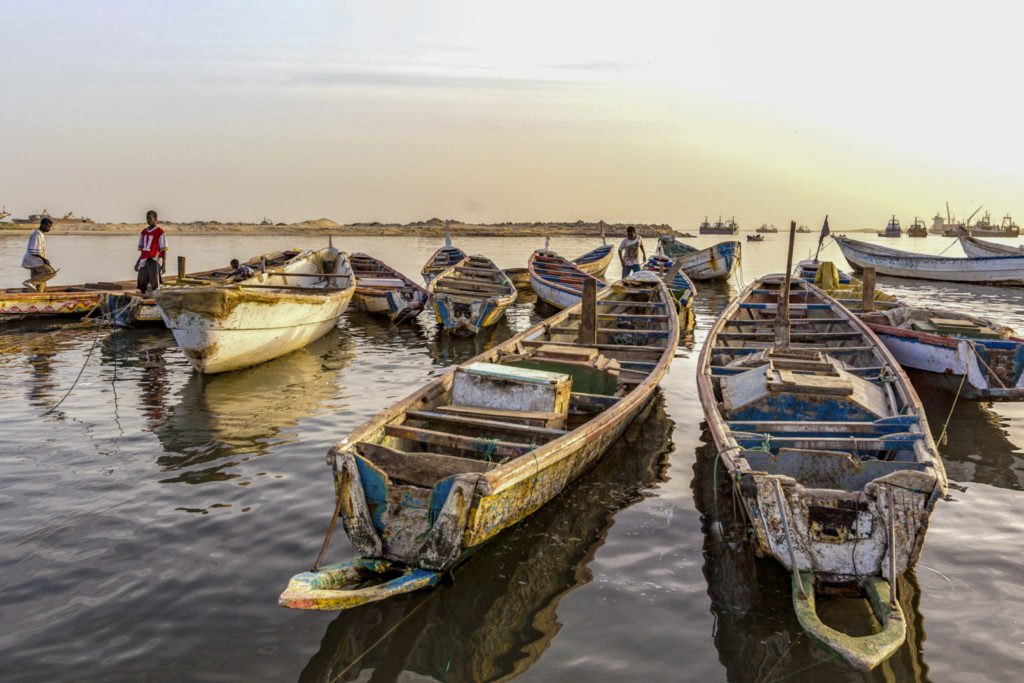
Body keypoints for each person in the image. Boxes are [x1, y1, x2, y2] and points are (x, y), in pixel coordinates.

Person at [135, 209, 167, 293]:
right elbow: (143, 250)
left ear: (155, 219)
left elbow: (164, 250)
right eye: (147, 218)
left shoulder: (160, 232)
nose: (148, 220)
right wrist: (137, 262)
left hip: (154, 259)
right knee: (141, 281)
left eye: (150, 218)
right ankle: (144, 297)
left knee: (154, 281)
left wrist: (163, 265)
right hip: (144, 259)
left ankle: (155, 298)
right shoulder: (144, 232)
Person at [21, 217, 57, 291]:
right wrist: (44, 259)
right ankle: (29, 282)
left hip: (33, 259)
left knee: (40, 278)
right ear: (43, 225)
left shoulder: (40, 234)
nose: (49, 229)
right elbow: (33, 251)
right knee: (51, 272)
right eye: (48, 227)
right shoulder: (37, 234)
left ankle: (39, 294)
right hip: (34, 259)